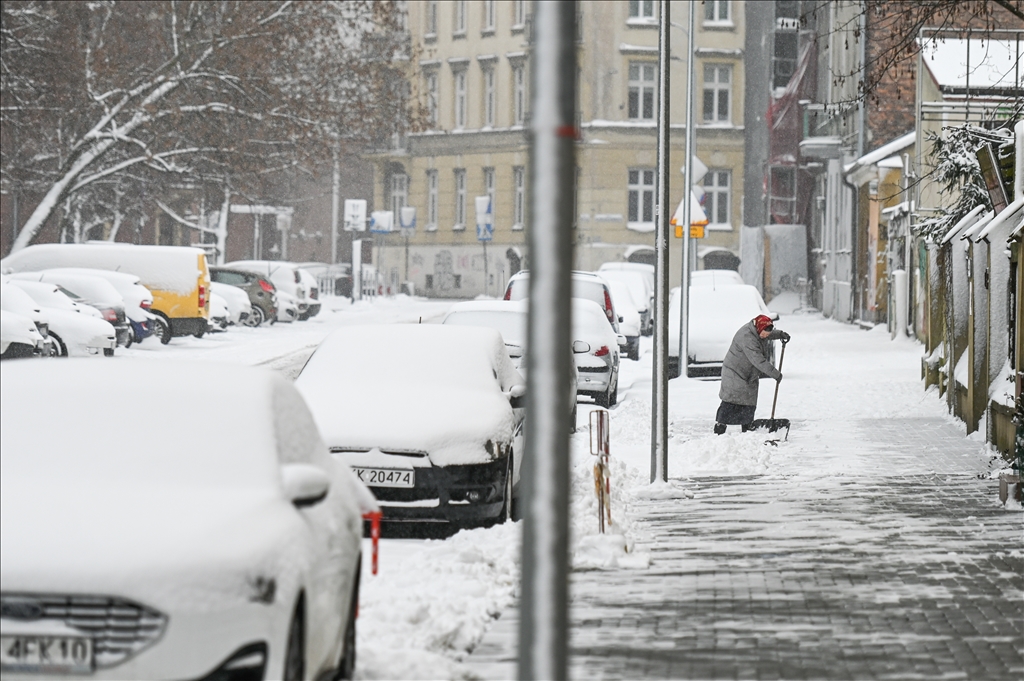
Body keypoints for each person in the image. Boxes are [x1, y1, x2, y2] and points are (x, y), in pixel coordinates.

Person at [714, 314, 790, 434]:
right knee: (731, 400)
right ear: (759, 328)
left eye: (768, 333)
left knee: (749, 400)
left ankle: (747, 426)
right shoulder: (747, 337)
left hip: (748, 372)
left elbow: (766, 333)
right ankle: (720, 426)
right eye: (765, 333)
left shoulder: (757, 330)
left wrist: (779, 334)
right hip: (734, 372)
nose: (766, 336)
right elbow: (758, 360)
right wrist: (775, 374)